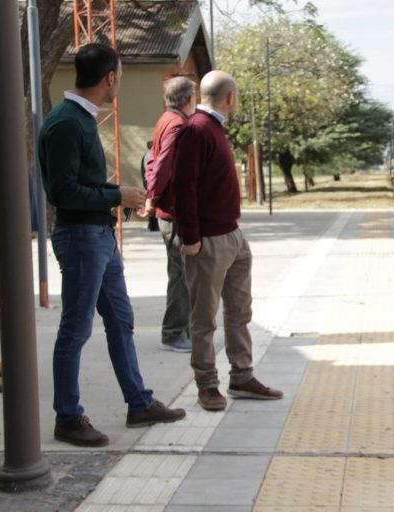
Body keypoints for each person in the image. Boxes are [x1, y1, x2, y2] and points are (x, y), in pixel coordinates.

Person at [38, 43, 185, 447]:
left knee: (121, 321)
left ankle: (139, 403)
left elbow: (80, 184)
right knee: (75, 329)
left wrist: (119, 194)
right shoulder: (67, 122)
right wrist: (116, 195)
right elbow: (64, 192)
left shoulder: (80, 118)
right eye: (120, 74)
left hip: (98, 236)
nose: (119, 80)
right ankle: (67, 417)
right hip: (81, 238)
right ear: (110, 78)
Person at [172, 70, 282, 411]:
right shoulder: (196, 130)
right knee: (204, 319)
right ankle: (207, 385)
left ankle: (242, 376)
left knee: (239, 311)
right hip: (207, 241)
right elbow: (182, 187)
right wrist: (190, 237)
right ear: (230, 97)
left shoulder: (214, 129)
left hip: (232, 235)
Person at [141, 77, 196, 353]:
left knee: (180, 271)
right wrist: (152, 197)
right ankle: (174, 333)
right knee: (181, 273)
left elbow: (153, 158)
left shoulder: (166, 119)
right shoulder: (178, 125)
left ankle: (181, 330)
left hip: (167, 208)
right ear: (189, 100)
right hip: (173, 211)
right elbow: (162, 165)